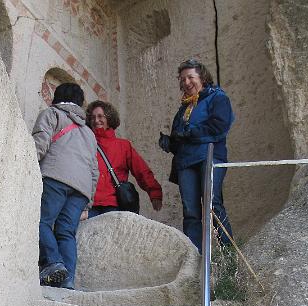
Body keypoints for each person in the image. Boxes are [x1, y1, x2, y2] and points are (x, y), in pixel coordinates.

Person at [159, 58, 234, 252]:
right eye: (182, 79)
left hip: (209, 157)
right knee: (190, 211)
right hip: (186, 162)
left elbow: (219, 126)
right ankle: (195, 257)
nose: (186, 82)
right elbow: (181, 138)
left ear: (202, 77)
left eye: (190, 77)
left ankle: (228, 252)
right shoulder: (184, 108)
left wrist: (191, 132)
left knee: (212, 203)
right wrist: (171, 142)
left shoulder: (217, 97)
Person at [32, 83, 99, 289]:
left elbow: (39, 144)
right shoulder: (89, 133)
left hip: (56, 177)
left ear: (57, 97)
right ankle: (67, 280)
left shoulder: (52, 114)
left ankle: (53, 263)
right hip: (81, 189)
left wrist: (25, 171)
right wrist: (88, 201)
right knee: (66, 232)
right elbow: (94, 170)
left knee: (41, 221)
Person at [86, 100, 162, 218]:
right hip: (90, 204)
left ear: (109, 119)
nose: (96, 120)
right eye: (92, 117)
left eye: (100, 116)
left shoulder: (123, 146)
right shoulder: (85, 144)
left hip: (114, 204)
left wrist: (154, 193)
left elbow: (141, 170)